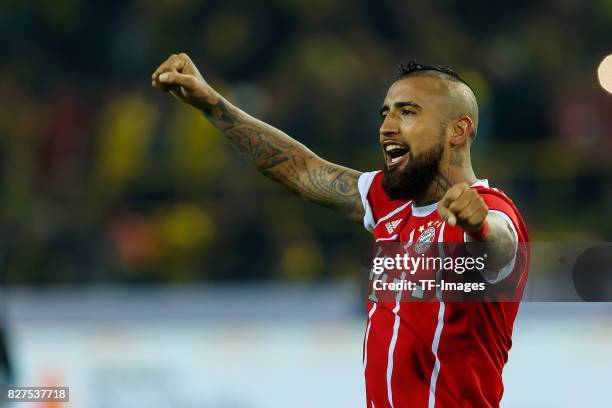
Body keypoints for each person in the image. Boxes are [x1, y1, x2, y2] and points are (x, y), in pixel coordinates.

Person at [152, 55, 529, 408]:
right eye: (385, 114)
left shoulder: (491, 209)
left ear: (458, 130)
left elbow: (502, 247)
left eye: (408, 112)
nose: (387, 127)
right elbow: (301, 170)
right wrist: (211, 104)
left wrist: (478, 225)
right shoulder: (391, 203)